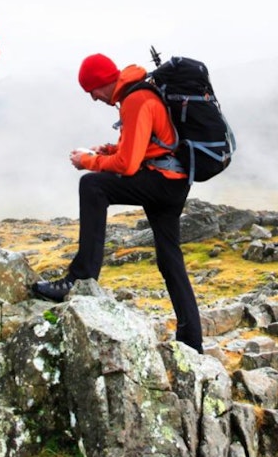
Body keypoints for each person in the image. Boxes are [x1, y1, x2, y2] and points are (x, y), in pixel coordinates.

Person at [32, 53, 203, 353]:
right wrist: (108, 148)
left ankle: (80, 276)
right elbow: (144, 144)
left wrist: (89, 161)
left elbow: (127, 165)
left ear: (102, 83)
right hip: (173, 181)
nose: (94, 98)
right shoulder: (137, 92)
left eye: (92, 91)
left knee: (93, 186)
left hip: (162, 182)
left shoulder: (136, 99)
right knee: (169, 259)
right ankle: (192, 342)